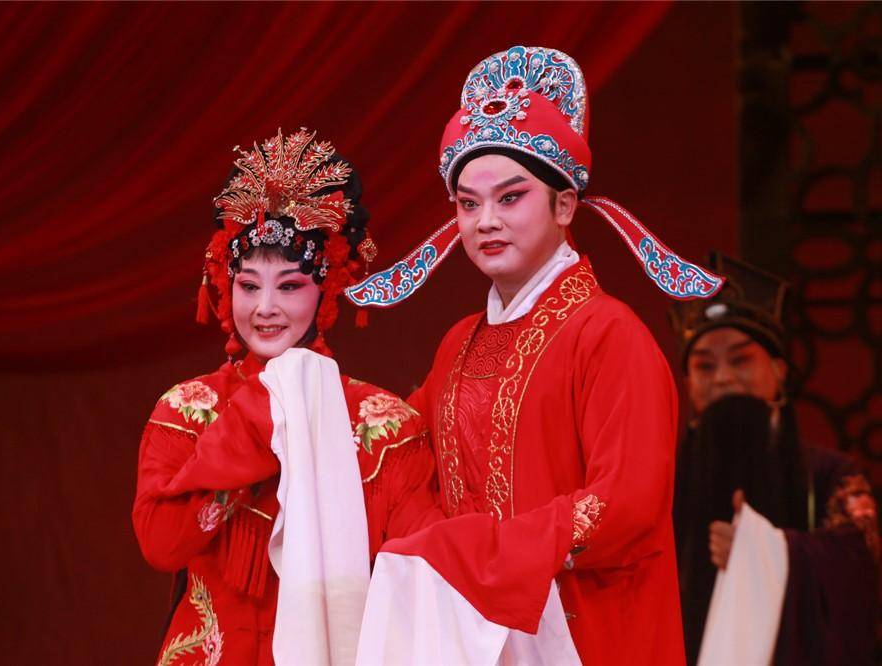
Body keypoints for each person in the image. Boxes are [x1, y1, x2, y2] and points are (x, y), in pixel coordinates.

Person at [349, 46, 724, 665]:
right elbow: (403, 452)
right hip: (471, 636)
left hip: (588, 634)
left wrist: (486, 552)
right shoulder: (459, 344)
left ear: (565, 205)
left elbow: (625, 502)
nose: (486, 221)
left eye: (511, 197)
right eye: (469, 204)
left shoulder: (608, 334)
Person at [132, 128, 439, 666]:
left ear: (327, 288)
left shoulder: (384, 427)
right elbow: (161, 543)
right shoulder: (189, 409)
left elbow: (425, 568)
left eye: (290, 286)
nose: (265, 308)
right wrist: (256, 426)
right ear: (226, 285)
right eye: (250, 285)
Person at [670, 252, 879, 665]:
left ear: (780, 369)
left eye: (741, 359)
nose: (724, 378)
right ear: (688, 383)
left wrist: (761, 550)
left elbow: (863, 562)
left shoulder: (830, 476)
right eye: (705, 366)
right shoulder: (662, 482)